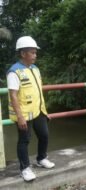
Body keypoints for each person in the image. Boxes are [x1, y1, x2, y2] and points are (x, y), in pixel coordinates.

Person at [7, 36, 55, 182]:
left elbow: (37, 91)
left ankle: (41, 158)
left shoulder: (35, 69)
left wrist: (45, 111)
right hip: (23, 113)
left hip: (38, 110)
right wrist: (20, 116)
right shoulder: (14, 72)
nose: (35, 55)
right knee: (24, 140)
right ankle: (25, 168)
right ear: (23, 54)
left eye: (35, 52)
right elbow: (13, 96)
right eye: (32, 53)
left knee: (44, 135)